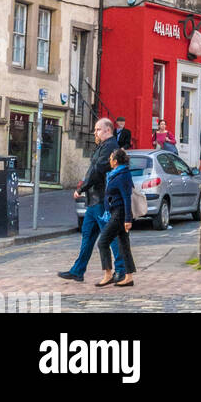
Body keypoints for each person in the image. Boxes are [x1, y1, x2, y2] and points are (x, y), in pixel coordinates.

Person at [58, 118, 124, 284]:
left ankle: (121, 270)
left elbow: (97, 171)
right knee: (87, 237)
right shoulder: (102, 146)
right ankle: (78, 271)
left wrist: (81, 189)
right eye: (95, 130)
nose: (95, 132)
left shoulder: (110, 146)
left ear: (108, 130)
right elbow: (93, 169)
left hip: (102, 200)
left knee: (110, 237)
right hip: (94, 200)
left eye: (98, 129)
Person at [95, 148, 136, 287]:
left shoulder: (123, 175)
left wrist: (128, 219)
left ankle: (107, 274)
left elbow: (127, 198)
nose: (109, 160)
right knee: (124, 245)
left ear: (116, 161)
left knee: (103, 242)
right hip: (115, 212)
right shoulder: (115, 174)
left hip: (120, 214)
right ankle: (129, 277)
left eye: (111, 158)